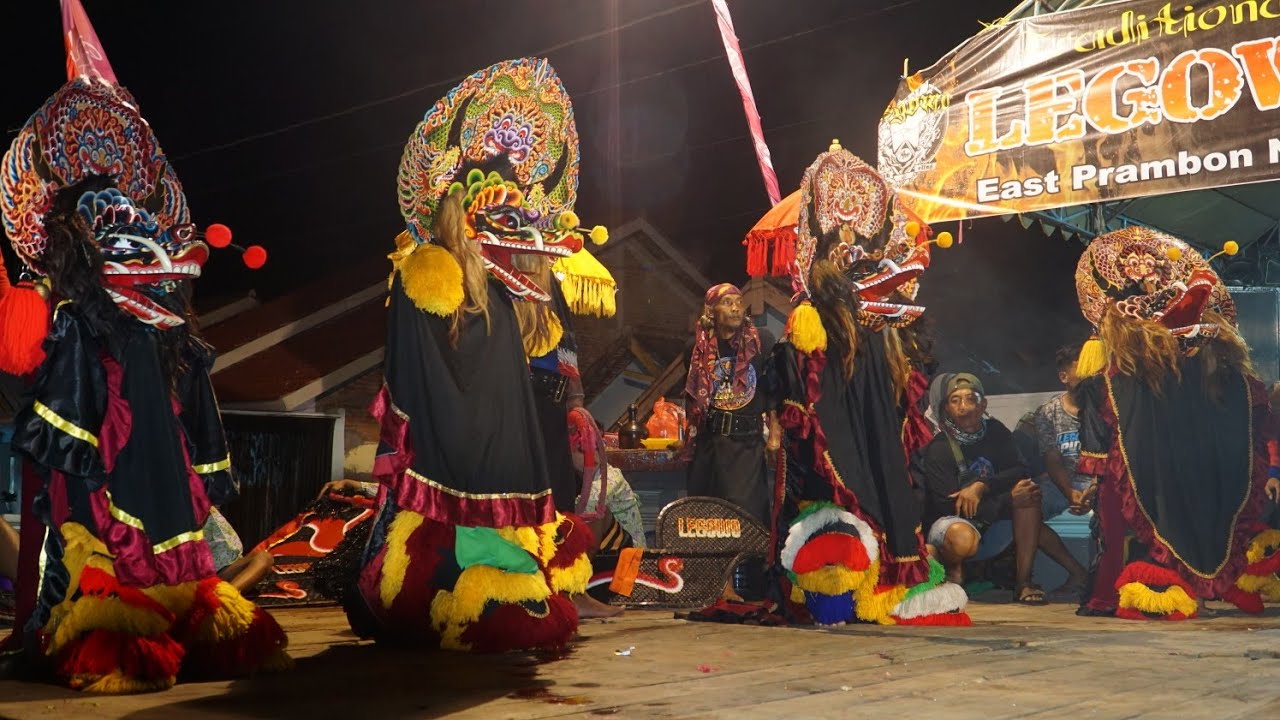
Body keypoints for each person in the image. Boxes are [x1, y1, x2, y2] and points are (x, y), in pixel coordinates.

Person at [0, 4, 289, 691]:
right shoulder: (129, 312)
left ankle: (90, 633)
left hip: (109, 461)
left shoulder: (103, 316)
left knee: (88, 538)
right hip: (137, 459)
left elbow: (63, 413)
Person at [346, 58, 595, 652]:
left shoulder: (514, 292)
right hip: (451, 448)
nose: (520, 227)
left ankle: (501, 577)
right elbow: (421, 374)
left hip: (506, 437)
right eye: (504, 215)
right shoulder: (429, 272)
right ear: (464, 209)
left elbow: (545, 344)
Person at [769, 143, 968, 626]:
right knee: (838, 491)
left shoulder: (887, 326)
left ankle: (894, 571)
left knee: (889, 469)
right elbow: (795, 393)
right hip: (835, 391)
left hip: (877, 375)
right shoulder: (812, 320)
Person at [1072, 227, 1280, 619]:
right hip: (1150, 464)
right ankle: (1119, 590)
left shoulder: (1225, 378)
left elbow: (1256, 423)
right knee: (1122, 505)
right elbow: (1102, 450)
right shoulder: (1117, 379)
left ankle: (1202, 584)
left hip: (1198, 465)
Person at [917, 373, 1048, 604]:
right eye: (955, 400)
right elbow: (945, 504)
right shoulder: (938, 448)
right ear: (946, 408)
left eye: (971, 398)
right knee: (962, 537)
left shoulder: (996, 431)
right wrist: (1005, 498)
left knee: (1028, 493)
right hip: (954, 525)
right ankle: (953, 570)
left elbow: (1019, 469)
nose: (964, 407)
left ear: (983, 404)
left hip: (990, 520)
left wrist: (982, 486)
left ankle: (1024, 582)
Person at [683, 283, 779, 527]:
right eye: (728, 303)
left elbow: (774, 391)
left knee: (747, 521)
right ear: (711, 311)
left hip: (746, 444)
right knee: (706, 521)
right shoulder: (695, 349)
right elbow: (693, 398)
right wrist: (688, 435)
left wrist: (775, 435)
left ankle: (749, 566)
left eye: (739, 302)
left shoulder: (761, 342)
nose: (736, 308)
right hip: (709, 444)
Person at [203, 506, 274, 595]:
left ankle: (225, 597)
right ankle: (223, 599)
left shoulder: (202, 501)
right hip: (206, 575)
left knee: (264, 558)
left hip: (228, 568)